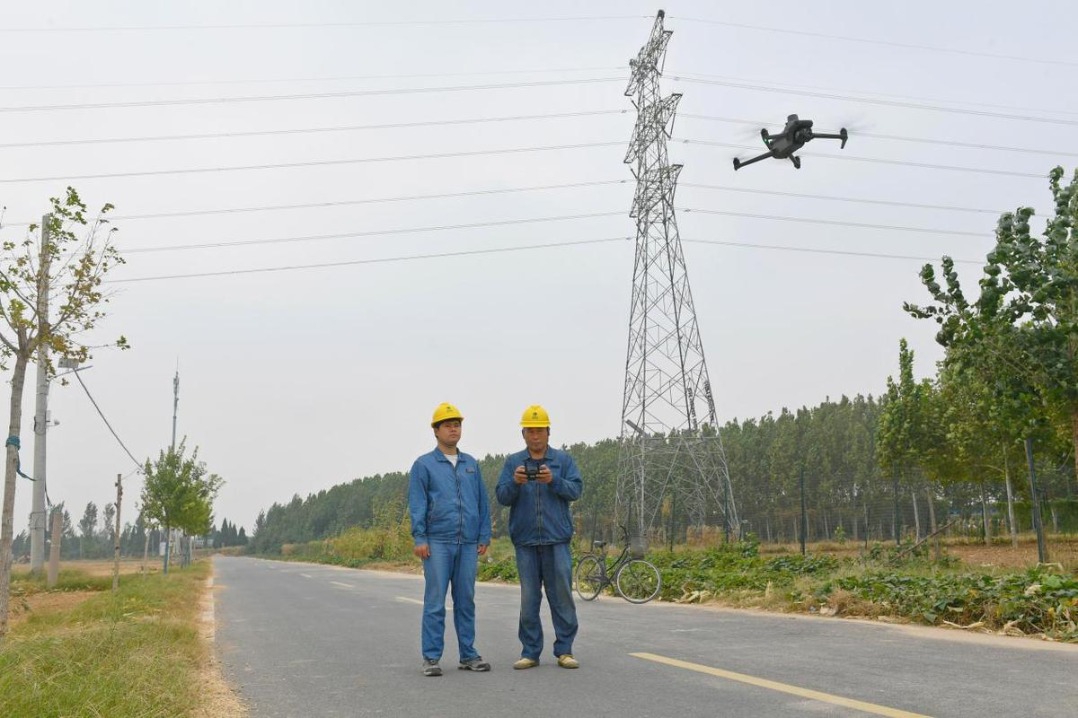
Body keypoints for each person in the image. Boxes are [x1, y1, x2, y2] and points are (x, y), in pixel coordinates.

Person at [495, 404, 583, 670]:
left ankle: (565, 650)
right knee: (529, 599)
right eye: (530, 431)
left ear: (548, 432)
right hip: (526, 541)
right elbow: (502, 496)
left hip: (557, 540)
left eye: (540, 431)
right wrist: (515, 482)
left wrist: (553, 480)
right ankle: (530, 651)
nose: (535, 436)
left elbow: (576, 490)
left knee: (562, 596)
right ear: (523, 434)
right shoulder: (513, 462)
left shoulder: (563, 461)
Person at [408, 402, 492, 677]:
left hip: (467, 543)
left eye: (457, 424)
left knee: (466, 600)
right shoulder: (424, 465)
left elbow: (482, 502)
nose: (453, 429)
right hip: (437, 542)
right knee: (435, 601)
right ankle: (431, 658)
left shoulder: (471, 464)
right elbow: (417, 503)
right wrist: (420, 536)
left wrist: (483, 535)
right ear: (436, 430)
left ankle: (468, 655)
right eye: (448, 425)